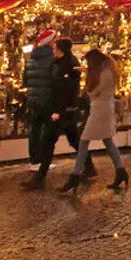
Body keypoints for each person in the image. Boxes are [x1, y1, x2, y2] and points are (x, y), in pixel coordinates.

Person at [59, 48, 128, 193]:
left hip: (100, 111)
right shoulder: (107, 71)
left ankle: (75, 176)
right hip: (102, 109)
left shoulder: (105, 74)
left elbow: (95, 92)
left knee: (84, 141)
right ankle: (121, 170)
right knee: (107, 141)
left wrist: (87, 88)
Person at [25, 39, 84, 189]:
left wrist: (62, 109)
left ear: (62, 50)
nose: (54, 50)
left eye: (56, 48)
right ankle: (88, 165)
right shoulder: (56, 63)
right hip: (59, 109)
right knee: (71, 140)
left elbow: (70, 88)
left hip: (64, 110)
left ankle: (40, 177)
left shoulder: (70, 63)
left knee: (50, 140)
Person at [21, 29, 56, 169]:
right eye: (54, 40)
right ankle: (44, 162)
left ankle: (34, 161)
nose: (55, 43)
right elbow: (55, 79)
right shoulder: (52, 58)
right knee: (48, 131)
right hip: (47, 99)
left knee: (35, 130)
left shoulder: (31, 57)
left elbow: (25, 80)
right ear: (49, 42)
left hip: (33, 100)